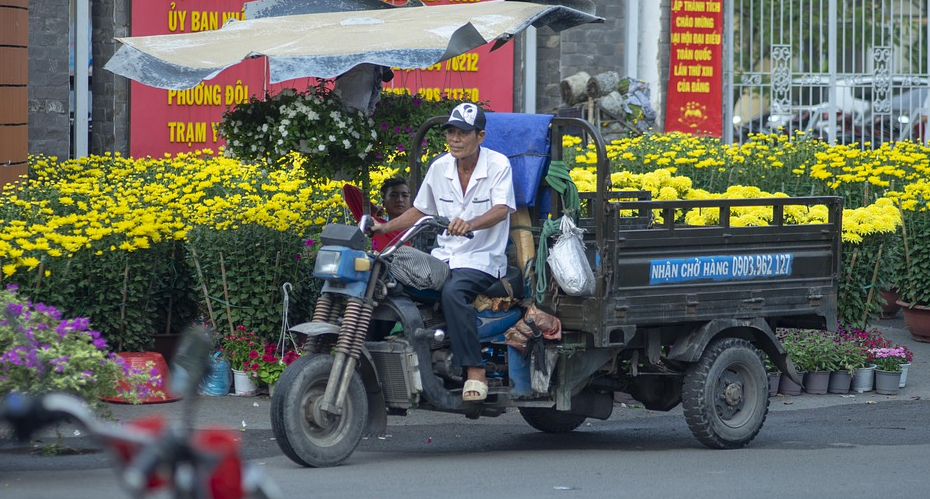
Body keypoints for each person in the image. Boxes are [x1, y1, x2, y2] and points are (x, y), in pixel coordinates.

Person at [370, 103, 516, 402]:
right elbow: (420, 210)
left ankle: (475, 371)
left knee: (453, 291)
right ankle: (373, 360)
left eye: (462, 132)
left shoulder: (498, 164)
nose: (454, 138)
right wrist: (382, 228)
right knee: (384, 280)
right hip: (445, 256)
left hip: (482, 259)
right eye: (450, 131)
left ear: (480, 136)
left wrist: (471, 223)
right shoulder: (440, 167)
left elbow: (502, 210)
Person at [342, 177, 412, 251]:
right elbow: (347, 189)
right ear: (384, 203)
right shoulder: (375, 225)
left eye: (404, 196)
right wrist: (372, 207)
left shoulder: (417, 225)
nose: (400, 200)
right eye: (394, 195)